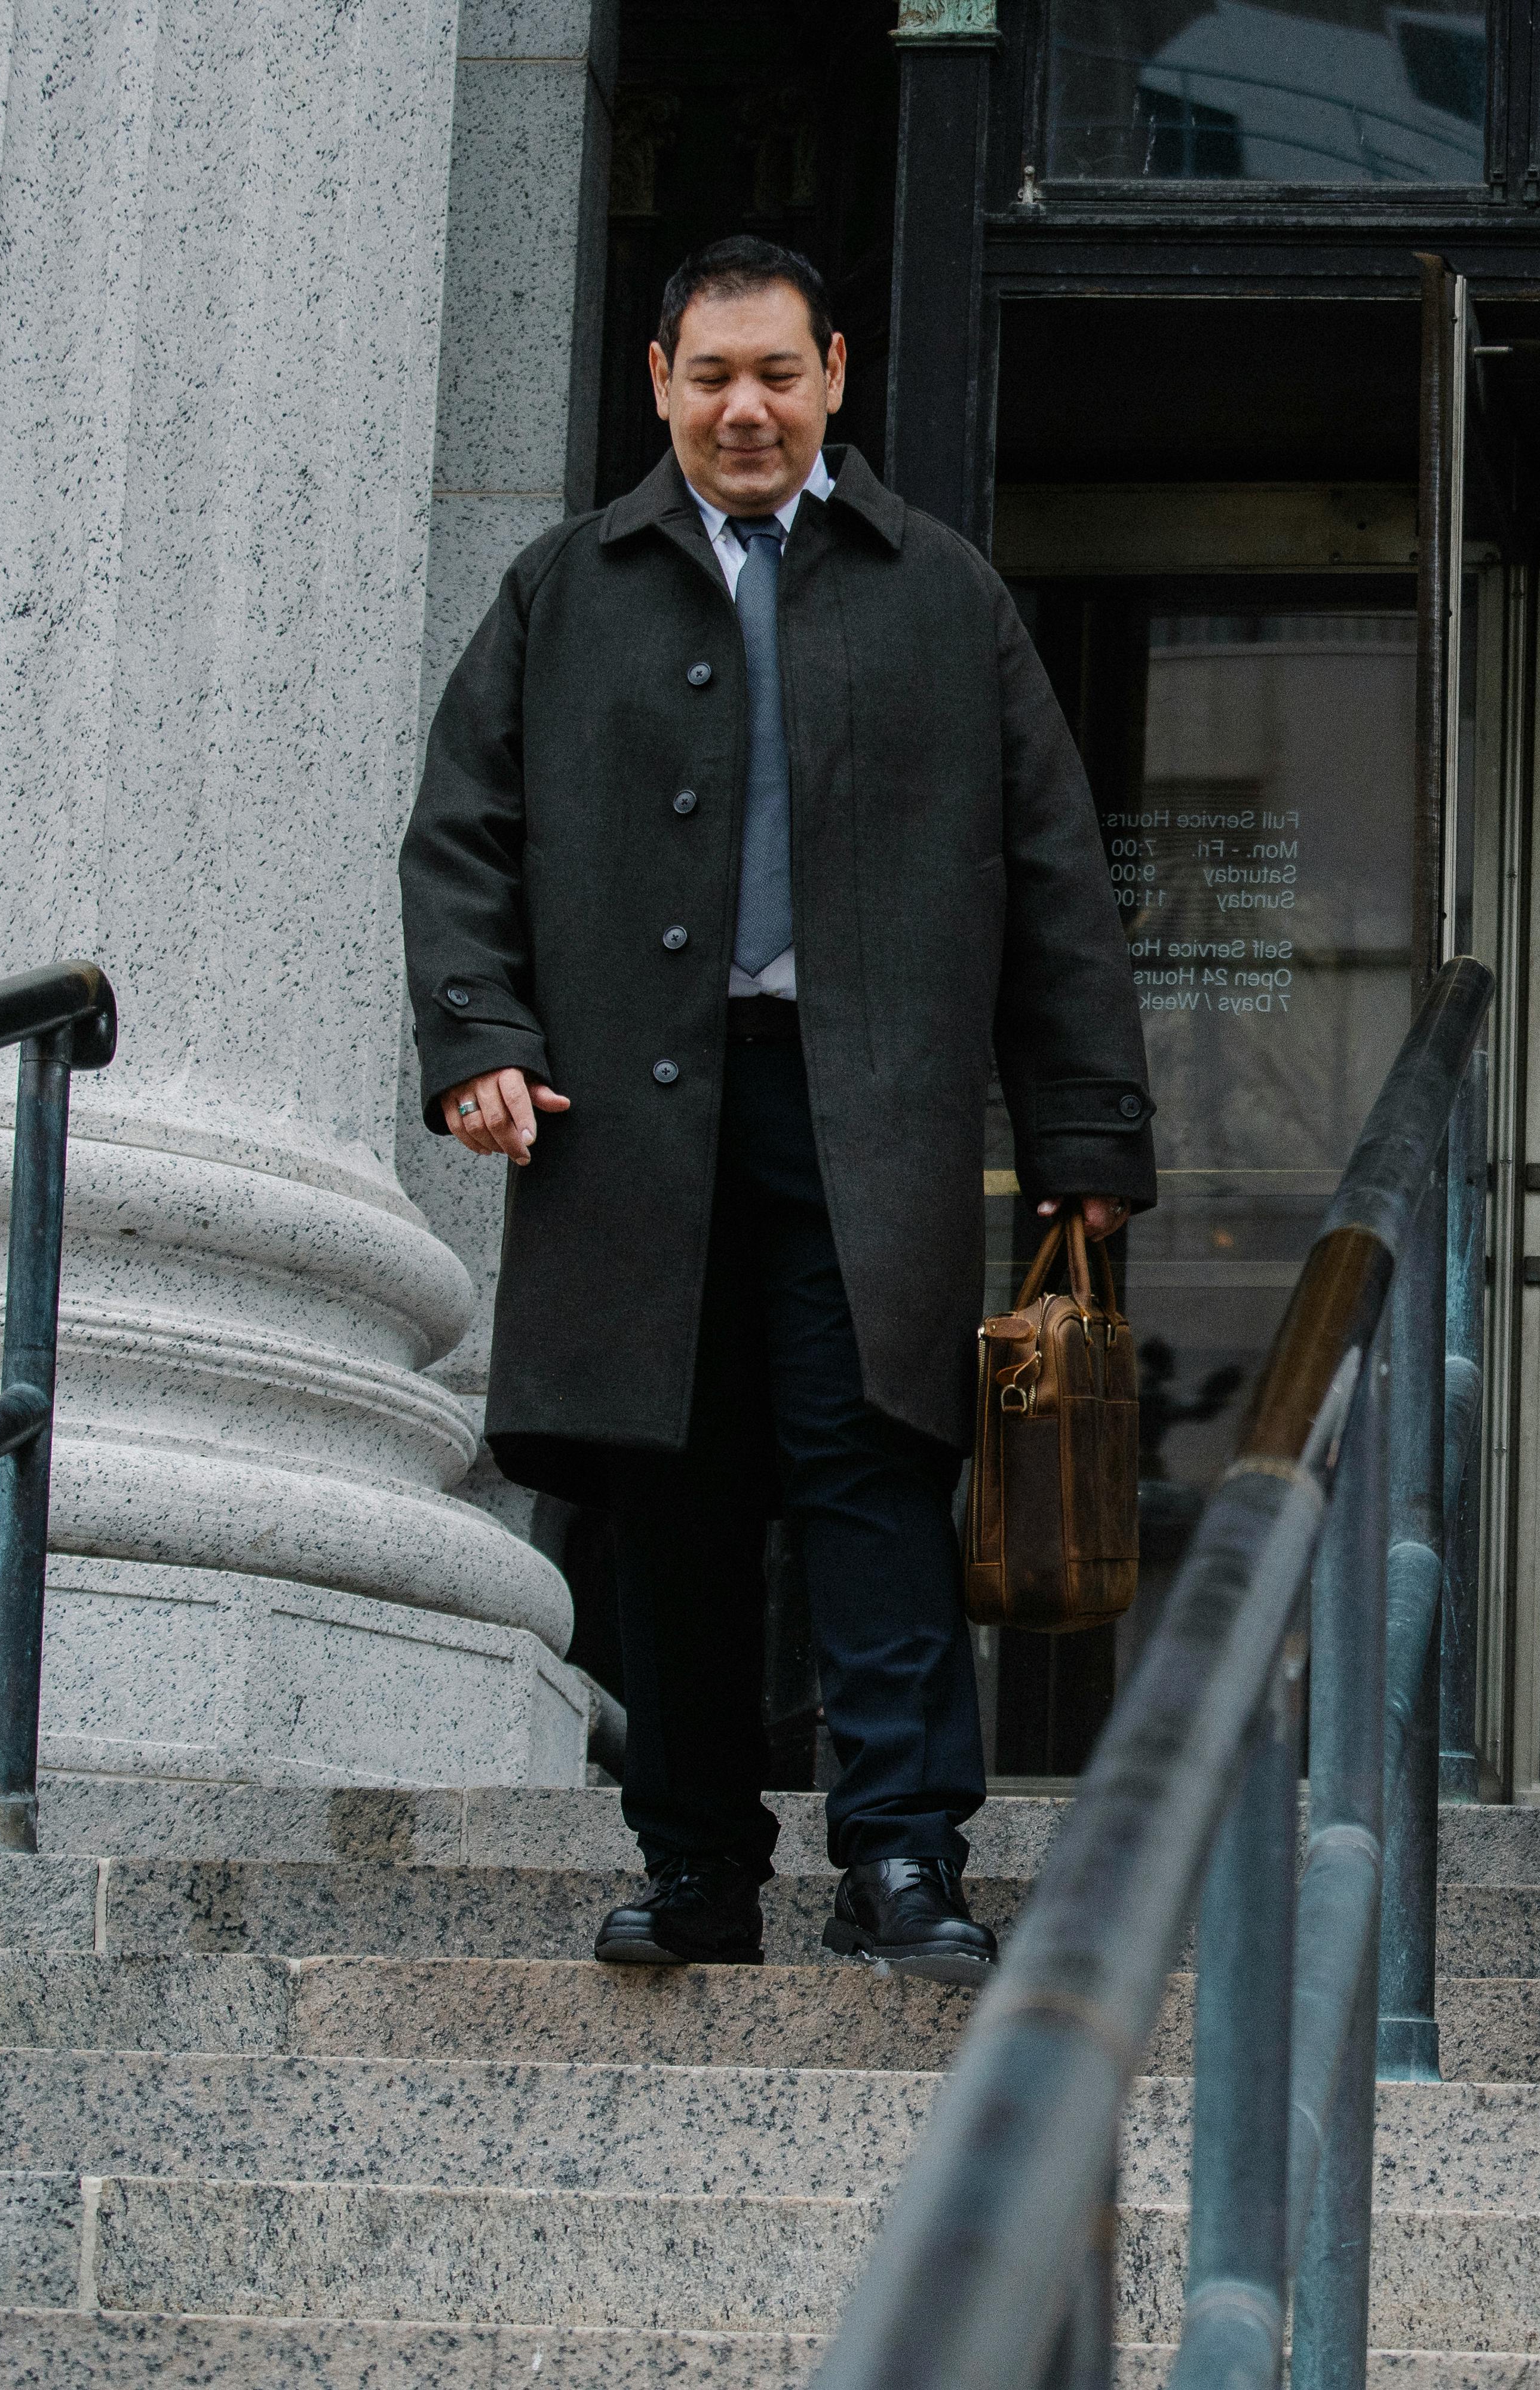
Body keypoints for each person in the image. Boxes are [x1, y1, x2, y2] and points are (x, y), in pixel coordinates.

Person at [400, 237, 1155, 1983]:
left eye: (780, 375)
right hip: (622, 1132)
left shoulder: (942, 590)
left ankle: (900, 1858)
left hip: (867, 1120)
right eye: (711, 377)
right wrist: (475, 1038)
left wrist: (1087, 1135)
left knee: (872, 1480)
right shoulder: (560, 590)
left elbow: (1055, 870)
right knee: (666, 1503)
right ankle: (692, 1867)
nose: (748, 409)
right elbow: (463, 837)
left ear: (835, 377)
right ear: (658, 383)